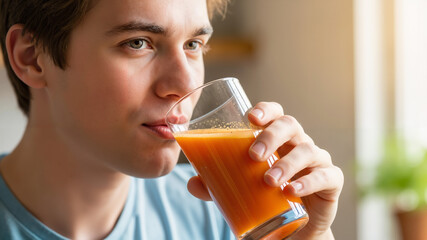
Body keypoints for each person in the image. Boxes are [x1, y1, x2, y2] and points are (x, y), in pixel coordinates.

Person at [0, 0, 344, 239]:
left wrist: (312, 237)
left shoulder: (232, 217)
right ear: (31, 56)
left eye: (194, 45)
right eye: (138, 43)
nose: (185, 85)